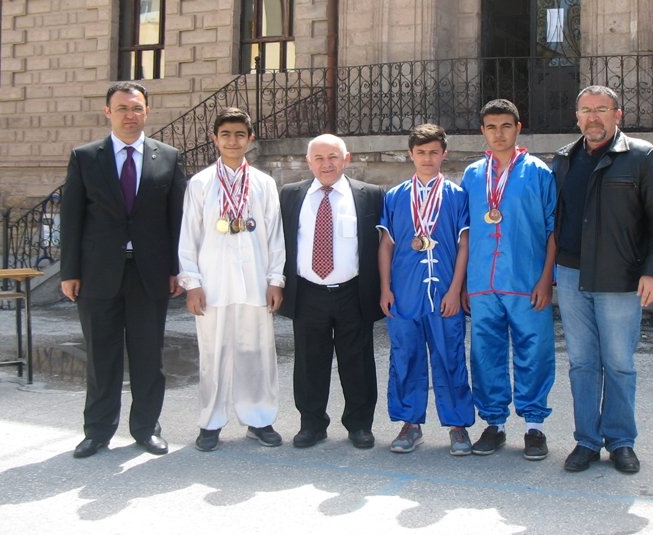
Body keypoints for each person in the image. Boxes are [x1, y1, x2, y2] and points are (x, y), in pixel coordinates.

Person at [552, 85, 653, 474]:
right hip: (572, 277)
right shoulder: (564, 160)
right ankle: (586, 440)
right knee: (582, 363)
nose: (593, 117)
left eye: (601, 109)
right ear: (577, 118)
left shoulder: (641, 156)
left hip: (620, 279)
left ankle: (621, 441)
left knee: (620, 363)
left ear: (617, 115)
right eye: (586, 110)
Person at [60, 81, 187, 458]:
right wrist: (69, 271)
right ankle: (97, 431)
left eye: (136, 108)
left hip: (150, 273)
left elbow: (176, 218)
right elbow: (72, 218)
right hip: (98, 273)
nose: (129, 115)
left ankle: (147, 428)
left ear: (146, 112)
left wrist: (177, 268)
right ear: (107, 113)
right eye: (122, 109)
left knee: (149, 355)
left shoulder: (168, 156)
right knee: (102, 355)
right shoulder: (85, 157)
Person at [177, 108, 285, 452]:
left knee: (256, 353)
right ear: (215, 139)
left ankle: (259, 419)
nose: (233, 141)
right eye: (225, 134)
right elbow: (188, 237)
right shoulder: (201, 183)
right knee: (213, 354)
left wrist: (275, 279)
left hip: (254, 280)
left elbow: (275, 237)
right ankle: (211, 421)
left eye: (240, 134)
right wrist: (191, 283)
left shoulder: (264, 184)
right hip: (213, 283)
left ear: (250, 139)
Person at [460, 99, 557, 461]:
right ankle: (494, 423)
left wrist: (547, 278)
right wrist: (465, 283)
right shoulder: (472, 175)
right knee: (486, 353)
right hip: (483, 282)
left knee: (535, 350)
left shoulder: (538, 172)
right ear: (482, 132)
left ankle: (534, 426)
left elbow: (552, 229)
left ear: (519, 128)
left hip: (526, 279)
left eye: (505, 126)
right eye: (490, 127)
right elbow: (464, 231)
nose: (498, 134)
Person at [278, 134, 384, 450]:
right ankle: (311, 424)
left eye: (333, 157)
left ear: (346, 158)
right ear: (308, 162)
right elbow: (279, 242)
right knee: (310, 362)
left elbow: (382, 245)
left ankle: (359, 425)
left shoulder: (371, 195)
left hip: (353, 291)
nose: (327, 164)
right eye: (320, 158)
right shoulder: (291, 195)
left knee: (359, 362)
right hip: (308, 291)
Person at [377, 124, 475, 456]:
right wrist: (385, 289)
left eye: (434, 152)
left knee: (450, 356)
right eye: (421, 152)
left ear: (444, 154)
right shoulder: (394, 196)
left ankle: (458, 425)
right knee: (405, 356)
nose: (428, 158)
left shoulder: (457, 195)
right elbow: (386, 246)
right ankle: (410, 423)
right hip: (404, 291)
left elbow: (464, 244)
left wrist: (455, 290)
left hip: (444, 291)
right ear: (411, 155)